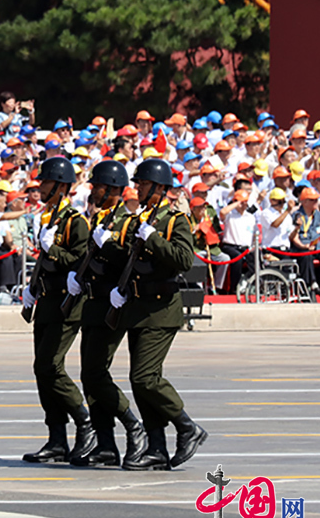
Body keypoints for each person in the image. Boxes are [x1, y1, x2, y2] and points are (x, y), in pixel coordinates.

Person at [107, 159, 207, 470]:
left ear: (158, 187)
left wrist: (152, 237)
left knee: (145, 377)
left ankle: (187, 426)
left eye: (142, 183)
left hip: (162, 309)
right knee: (140, 382)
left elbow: (182, 259)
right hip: (137, 307)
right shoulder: (141, 219)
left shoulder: (175, 220)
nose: (136, 187)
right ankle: (156, 447)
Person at [65, 160, 147, 467]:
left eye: (98, 187)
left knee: (96, 374)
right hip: (92, 302)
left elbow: (128, 260)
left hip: (110, 303)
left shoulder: (125, 221)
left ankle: (131, 424)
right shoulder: (101, 218)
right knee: (89, 376)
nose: (93, 191)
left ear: (112, 189)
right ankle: (106, 443)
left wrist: (109, 245)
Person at [21, 157, 95, 464]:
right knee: (41, 370)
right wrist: (33, 285)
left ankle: (85, 422)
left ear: (61, 187)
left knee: (51, 366)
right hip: (47, 301)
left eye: (46, 183)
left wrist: (53, 249)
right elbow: (47, 261)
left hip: (67, 304)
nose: (41, 187)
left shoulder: (76, 221)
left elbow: (80, 261)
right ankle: (56, 438)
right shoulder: (49, 219)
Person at [289, 187, 320, 292]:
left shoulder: (318, 215)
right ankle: (309, 283)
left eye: (317, 199)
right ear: (305, 202)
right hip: (301, 247)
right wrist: (304, 246)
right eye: (313, 200)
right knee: (307, 256)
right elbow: (294, 237)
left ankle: (316, 282)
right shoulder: (296, 215)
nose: (316, 202)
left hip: (316, 246)